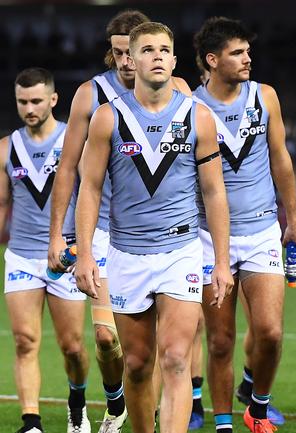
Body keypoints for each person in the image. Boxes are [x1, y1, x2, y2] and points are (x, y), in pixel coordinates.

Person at [74, 22, 233, 433]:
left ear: (175, 60)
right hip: (126, 254)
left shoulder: (199, 117)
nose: (157, 56)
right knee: (139, 365)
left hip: (181, 252)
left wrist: (220, 261)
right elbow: (89, 189)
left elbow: (214, 193)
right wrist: (87, 254)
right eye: (147, 50)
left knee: (177, 358)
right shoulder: (107, 118)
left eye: (165, 50)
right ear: (131, 59)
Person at [47, 10, 192, 432]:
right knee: (113, 343)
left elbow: (195, 168)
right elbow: (70, 170)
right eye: (120, 53)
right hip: (109, 234)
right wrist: (60, 235)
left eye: (140, 51)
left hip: (171, 237)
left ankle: (177, 408)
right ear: (116, 53)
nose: (129, 62)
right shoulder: (90, 97)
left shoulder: (179, 92)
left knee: (176, 350)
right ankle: (117, 403)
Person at [193, 16, 296, 433]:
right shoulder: (189, 106)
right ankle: (224, 422)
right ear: (212, 60)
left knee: (271, 333)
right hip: (208, 238)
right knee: (220, 341)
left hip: (261, 232)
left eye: (247, 51)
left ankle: (256, 406)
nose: (247, 59)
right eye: (237, 53)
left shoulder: (265, 97)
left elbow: (280, 158)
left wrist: (292, 218)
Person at [0, 68, 90, 433]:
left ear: (53, 100)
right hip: (21, 255)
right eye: (23, 101)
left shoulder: (75, 140)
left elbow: (92, 195)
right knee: (24, 340)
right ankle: (31, 422)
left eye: (36, 100)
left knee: (72, 346)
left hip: (65, 257)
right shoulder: (6, 148)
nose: (29, 107)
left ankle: (77, 403)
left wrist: (84, 248)